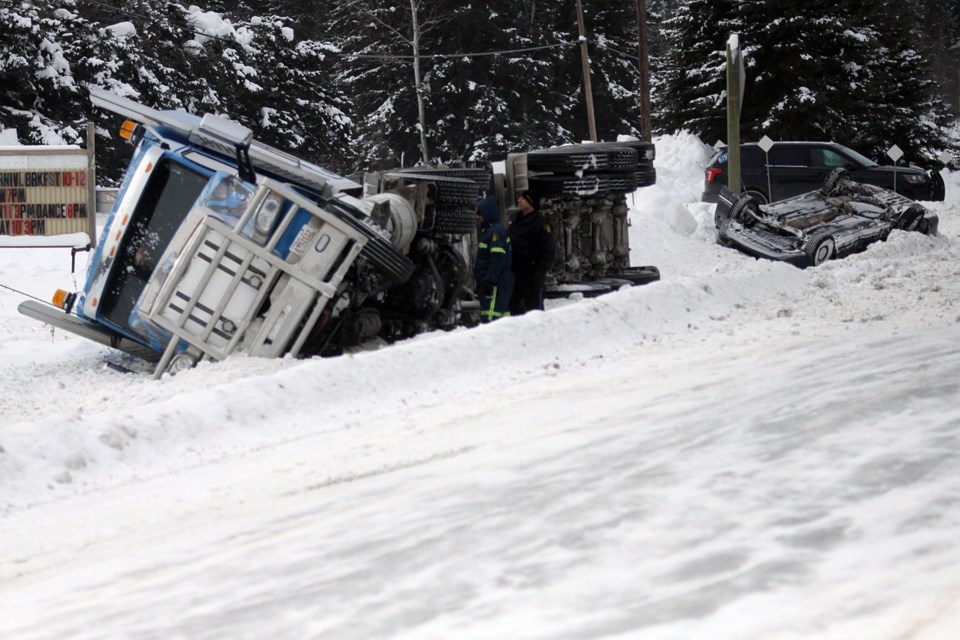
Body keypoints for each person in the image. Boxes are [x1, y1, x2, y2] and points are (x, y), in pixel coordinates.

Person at [508, 190, 555, 315]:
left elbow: (548, 250)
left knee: (534, 311)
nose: (519, 201)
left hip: (532, 273)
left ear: (531, 202)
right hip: (515, 273)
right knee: (514, 309)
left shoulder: (541, 223)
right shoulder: (515, 222)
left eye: (523, 198)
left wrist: (540, 272)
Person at [474, 194, 514, 322]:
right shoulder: (492, 230)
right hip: (495, 281)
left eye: (480, 214)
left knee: (492, 317)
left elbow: (498, 258)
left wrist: (490, 280)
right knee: (499, 316)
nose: (477, 217)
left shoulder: (495, 232)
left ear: (488, 213)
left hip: (496, 284)